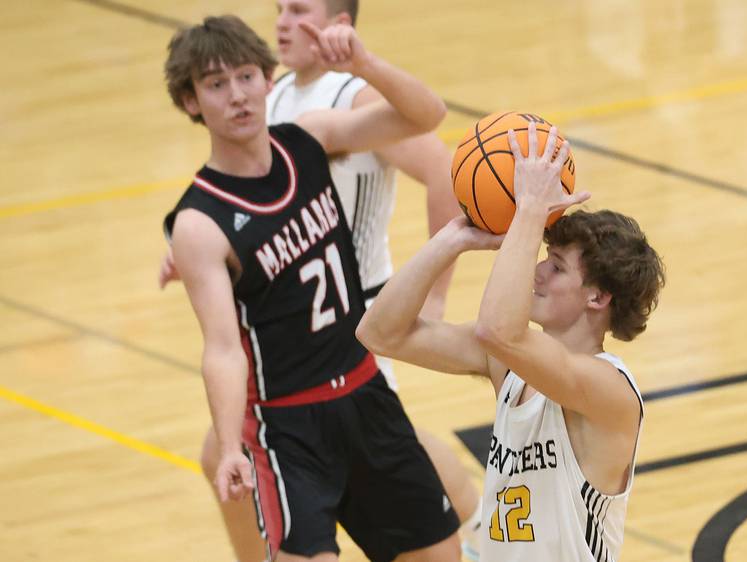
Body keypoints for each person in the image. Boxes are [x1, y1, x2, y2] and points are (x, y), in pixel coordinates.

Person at [160, 2, 480, 560]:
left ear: (265, 78)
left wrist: (367, 65)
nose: (237, 95)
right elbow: (222, 349)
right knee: (219, 454)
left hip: (363, 386)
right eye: (216, 84)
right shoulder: (198, 223)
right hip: (288, 425)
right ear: (191, 101)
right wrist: (232, 444)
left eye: (245, 77)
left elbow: (427, 116)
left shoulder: (310, 136)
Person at [357, 123, 666, 561]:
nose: (538, 271)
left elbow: (498, 331)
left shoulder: (609, 391)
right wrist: (454, 238)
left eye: (556, 267)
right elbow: (379, 332)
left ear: (597, 297)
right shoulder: (508, 363)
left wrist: (530, 213)